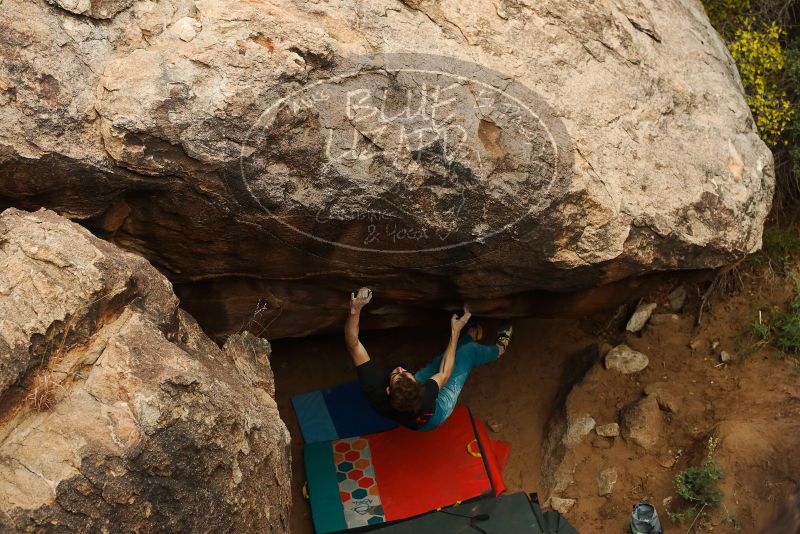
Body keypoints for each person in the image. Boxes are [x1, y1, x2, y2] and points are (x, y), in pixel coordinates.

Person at [344, 287, 512, 431]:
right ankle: (497, 350)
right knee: (468, 353)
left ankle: (467, 339)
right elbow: (445, 373)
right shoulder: (426, 397)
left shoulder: (374, 388)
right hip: (436, 414)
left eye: (402, 374)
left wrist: (354, 311)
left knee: (440, 360)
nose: (401, 370)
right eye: (401, 374)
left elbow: (353, 344)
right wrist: (455, 332)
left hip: (412, 411)